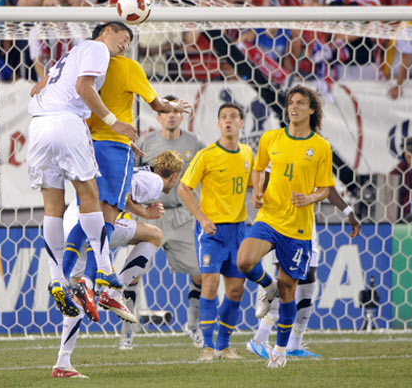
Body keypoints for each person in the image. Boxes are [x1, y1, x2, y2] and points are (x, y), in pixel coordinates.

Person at [62, 33, 192, 324]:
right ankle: (100, 287)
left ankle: (63, 281)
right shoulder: (127, 67)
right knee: (110, 218)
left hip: (82, 143)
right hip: (110, 146)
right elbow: (156, 104)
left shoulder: (80, 63)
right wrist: (173, 107)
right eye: (123, 38)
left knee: (89, 213)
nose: (125, 44)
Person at [27, 21, 137, 318]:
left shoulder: (69, 56)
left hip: (38, 126)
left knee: (53, 206)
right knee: (90, 195)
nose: (124, 45)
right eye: (123, 37)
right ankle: (104, 268)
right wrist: (115, 122)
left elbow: (36, 89)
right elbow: (83, 87)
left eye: (129, 42)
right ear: (106, 31)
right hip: (67, 122)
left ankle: (56, 279)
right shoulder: (97, 48)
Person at [52, 151, 184, 379]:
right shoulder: (154, 181)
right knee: (154, 235)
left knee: (79, 299)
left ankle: (63, 363)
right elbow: (120, 194)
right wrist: (144, 212)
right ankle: (114, 290)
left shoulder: (134, 170)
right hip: (92, 225)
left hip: (71, 223)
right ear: (174, 176)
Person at [236, 85, 335, 368]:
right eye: (291, 102)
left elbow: (326, 188)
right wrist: (257, 191)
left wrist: (310, 197)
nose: (294, 107)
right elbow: (259, 168)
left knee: (288, 288)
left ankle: (279, 351)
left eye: (301, 103)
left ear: (312, 109)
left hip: (298, 227)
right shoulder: (271, 138)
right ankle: (266, 288)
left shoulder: (320, 146)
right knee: (244, 260)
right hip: (269, 217)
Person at [178, 103, 254, 361]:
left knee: (236, 290)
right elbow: (184, 188)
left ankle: (223, 345)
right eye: (224, 117)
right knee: (209, 284)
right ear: (218, 124)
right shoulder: (207, 154)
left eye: (233, 117)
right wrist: (201, 217)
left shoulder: (247, 154)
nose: (229, 121)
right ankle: (207, 347)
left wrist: (262, 195)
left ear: (242, 123)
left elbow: (256, 184)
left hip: (239, 231)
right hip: (212, 231)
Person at [246, 187, 360, 359]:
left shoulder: (314, 162)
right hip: (284, 223)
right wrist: (260, 193)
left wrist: (348, 211)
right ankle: (259, 338)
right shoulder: (282, 161)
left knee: (308, 284)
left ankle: (294, 344)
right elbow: (267, 176)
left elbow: (326, 187)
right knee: (285, 283)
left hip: (306, 224)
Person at [135, 95, 206, 348]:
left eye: (176, 112)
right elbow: (130, 175)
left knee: (200, 273)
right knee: (134, 273)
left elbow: (207, 172)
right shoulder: (146, 142)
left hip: (182, 215)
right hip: (150, 213)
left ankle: (193, 326)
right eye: (166, 111)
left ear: (182, 116)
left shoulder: (195, 143)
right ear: (159, 117)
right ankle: (127, 333)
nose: (172, 115)